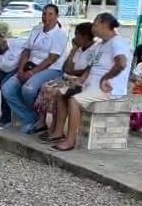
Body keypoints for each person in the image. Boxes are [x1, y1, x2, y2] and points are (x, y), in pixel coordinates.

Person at [47, 13, 132, 151]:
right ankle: (58, 132)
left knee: (74, 101)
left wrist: (105, 78)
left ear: (104, 25)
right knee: (60, 93)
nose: (93, 27)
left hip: (108, 88)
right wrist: (81, 80)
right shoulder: (101, 44)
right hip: (90, 84)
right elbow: (91, 66)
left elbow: (121, 63)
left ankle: (70, 141)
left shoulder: (117, 42)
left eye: (95, 24)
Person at [0, 4, 68, 134]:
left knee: (28, 89)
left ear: (57, 16)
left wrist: (32, 73)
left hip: (51, 69)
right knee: (7, 89)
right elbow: (27, 51)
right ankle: (31, 118)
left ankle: (35, 119)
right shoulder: (36, 30)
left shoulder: (60, 35)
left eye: (50, 14)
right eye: (44, 14)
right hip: (30, 66)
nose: (46, 17)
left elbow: (51, 59)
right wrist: (21, 70)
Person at [35, 22, 100, 143]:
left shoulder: (95, 49)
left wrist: (73, 72)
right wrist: (73, 50)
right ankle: (47, 125)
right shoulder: (79, 49)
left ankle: (57, 130)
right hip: (69, 78)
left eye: (77, 35)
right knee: (45, 87)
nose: (75, 38)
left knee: (56, 91)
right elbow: (67, 67)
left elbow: (86, 70)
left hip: (81, 81)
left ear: (85, 36)